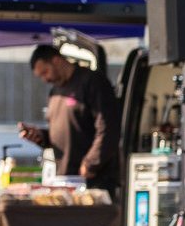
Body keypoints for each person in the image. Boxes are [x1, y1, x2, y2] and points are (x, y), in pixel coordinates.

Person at [16, 44, 120, 191]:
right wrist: (40, 136)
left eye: (45, 72)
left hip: (93, 180)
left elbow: (108, 127)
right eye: (41, 76)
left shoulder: (92, 82)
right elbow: (66, 132)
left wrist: (91, 162)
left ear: (57, 60)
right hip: (64, 178)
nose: (45, 79)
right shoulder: (55, 92)